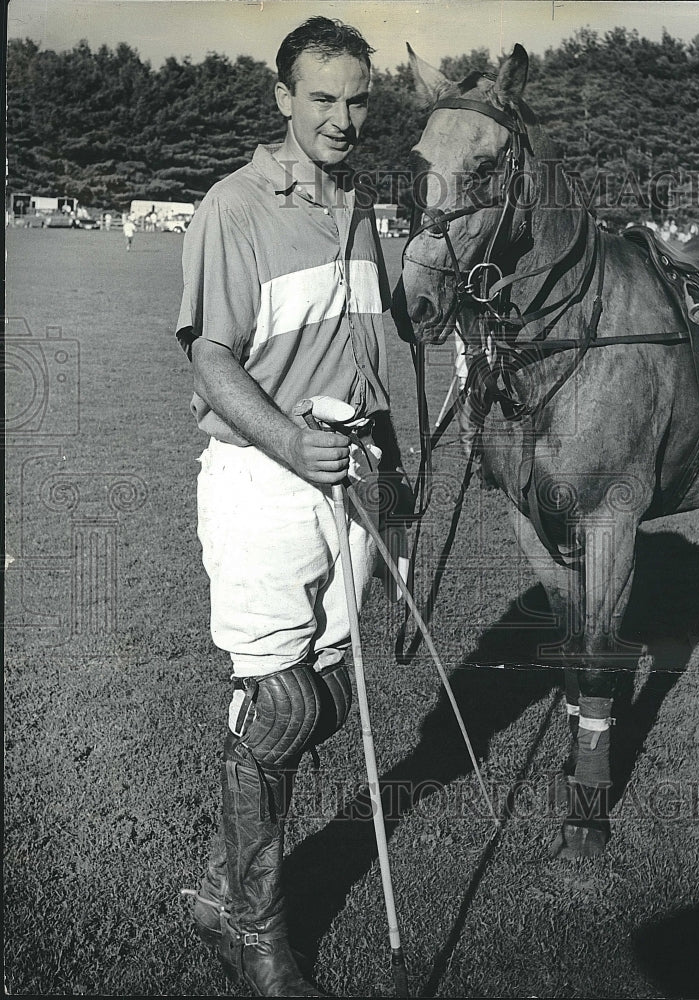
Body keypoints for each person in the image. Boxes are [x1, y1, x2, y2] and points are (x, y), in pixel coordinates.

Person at [175, 17, 411, 997]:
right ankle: (255, 936)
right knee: (277, 699)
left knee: (321, 697)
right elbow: (208, 356)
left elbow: (370, 350)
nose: (342, 117)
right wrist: (287, 441)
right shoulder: (234, 206)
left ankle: (224, 882)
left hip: (350, 485)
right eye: (321, 97)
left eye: (357, 98)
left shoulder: (359, 207)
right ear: (282, 99)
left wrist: (393, 473)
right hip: (264, 479)